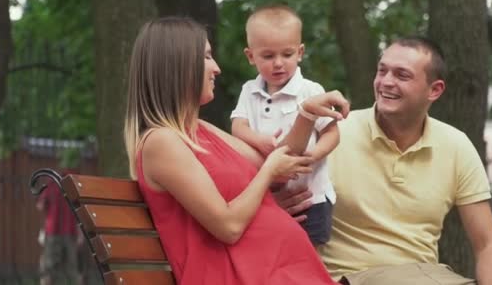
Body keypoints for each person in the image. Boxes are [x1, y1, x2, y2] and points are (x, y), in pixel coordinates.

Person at [123, 16, 349, 285]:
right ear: (178, 66)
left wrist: (306, 113)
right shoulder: (162, 143)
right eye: (207, 57)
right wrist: (267, 173)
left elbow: (281, 163)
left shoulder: (201, 129)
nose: (216, 68)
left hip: (281, 271)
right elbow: (228, 226)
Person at [276, 37, 492, 285]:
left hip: (424, 277)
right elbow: (271, 181)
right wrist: (277, 203)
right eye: (382, 70)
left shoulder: (456, 146)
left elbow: (487, 244)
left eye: (402, 75)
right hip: (346, 278)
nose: (386, 82)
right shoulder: (333, 134)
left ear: (435, 90)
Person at [231, 5, 339, 246]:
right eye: (268, 56)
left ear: (300, 52)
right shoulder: (249, 91)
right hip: (269, 194)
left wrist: (312, 155)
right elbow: (238, 126)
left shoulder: (311, 91)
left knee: (309, 251)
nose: (278, 63)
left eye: (287, 54)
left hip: (311, 196)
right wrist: (258, 140)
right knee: (273, 249)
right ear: (251, 56)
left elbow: (332, 133)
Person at [36, 173, 82, 285]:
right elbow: (79, 211)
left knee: (48, 269)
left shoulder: (51, 184)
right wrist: (80, 234)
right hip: (70, 231)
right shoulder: (73, 186)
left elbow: (41, 206)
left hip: (53, 231)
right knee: (73, 269)